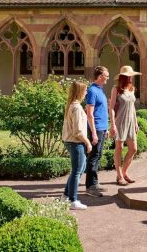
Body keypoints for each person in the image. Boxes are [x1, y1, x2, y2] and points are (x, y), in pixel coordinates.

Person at [109, 65, 142, 186]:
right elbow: (111, 108)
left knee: (133, 149)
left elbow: (132, 107)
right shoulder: (116, 89)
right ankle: (119, 176)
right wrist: (112, 125)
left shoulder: (132, 88)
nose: (131, 78)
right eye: (130, 76)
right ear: (124, 77)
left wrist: (136, 123)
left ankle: (124, 172)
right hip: (120, 121)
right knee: (119, 148)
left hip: (131, 122)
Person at [62, 81, 92, 210]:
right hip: (76, 142)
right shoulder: (77, 108)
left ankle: (66, 195)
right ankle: (73, 200)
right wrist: (87, 142)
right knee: (76, 171)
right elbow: (78, 131)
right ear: (80, 91)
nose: (86, 93)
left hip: (71, 141)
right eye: (85, 90)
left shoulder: (72, 105)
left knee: (78, 169)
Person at [85, 66, 110, 197]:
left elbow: (102, 110)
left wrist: (106, 128)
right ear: (100, 77)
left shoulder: (100, 90)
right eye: (106, 76)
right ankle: (90, 186)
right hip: (96, 128)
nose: (108, 78)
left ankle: (95, 182)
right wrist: (94, 132)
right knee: (93, 156)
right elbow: (89, 112)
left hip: (102, 127)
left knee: (98, 155)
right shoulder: (92, 91)